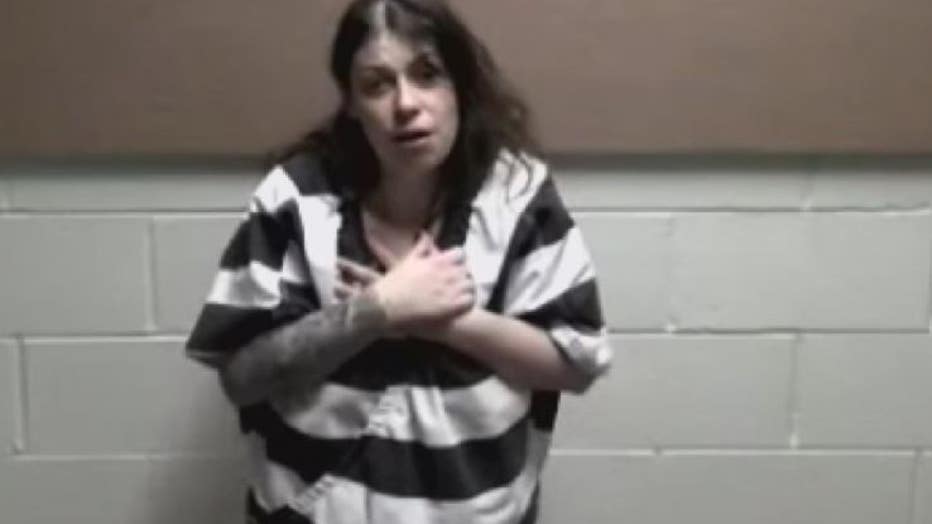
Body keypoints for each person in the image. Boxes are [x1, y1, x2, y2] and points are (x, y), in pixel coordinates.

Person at [186, 0, 612, 522]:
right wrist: (374, 311)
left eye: (427, 75)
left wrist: (444, 322)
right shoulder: (295, 198)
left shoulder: (516, 197)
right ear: (351, 103)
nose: (406, 104)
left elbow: (576, 364)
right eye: (377, 85)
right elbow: (242, 377)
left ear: (459, 85)